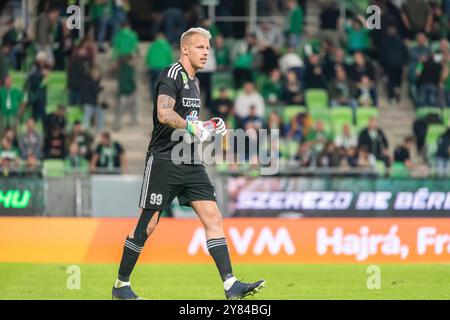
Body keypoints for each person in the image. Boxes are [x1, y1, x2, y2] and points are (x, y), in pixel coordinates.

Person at [112, 27, 265, 300]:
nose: (206, 52)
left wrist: (208, 125)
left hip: (190, 158)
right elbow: (163, 113)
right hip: (164, 159)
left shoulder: (194, 82)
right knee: (147, 226)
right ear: (185, 49)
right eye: (200, 48)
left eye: (208, 48)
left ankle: (231, 285)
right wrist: (194, 128)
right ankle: (121, 285)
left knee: (213, 217)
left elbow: (189, 124)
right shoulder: (172, 74)